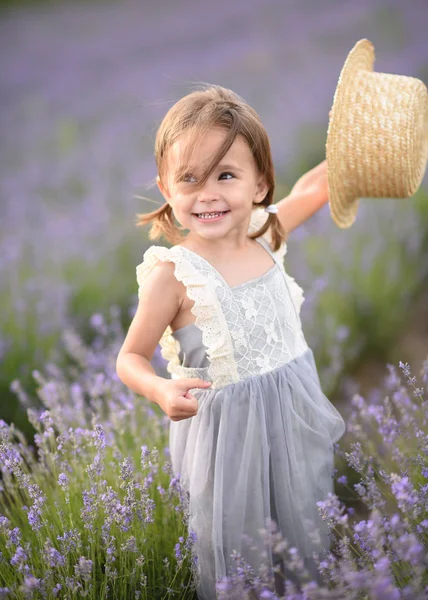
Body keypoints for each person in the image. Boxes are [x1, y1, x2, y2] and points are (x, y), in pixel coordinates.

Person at [116, 85, 346, 599]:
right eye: (190, 179)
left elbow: (313, 188)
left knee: (300, 522)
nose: (208, 194)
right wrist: (157, 389)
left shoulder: (267, 233)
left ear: (260, 184)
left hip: (290, 419)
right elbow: (129, 357)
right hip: (228, 440)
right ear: (166, 188)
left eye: (226, 175)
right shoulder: (175, 276)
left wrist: (355, 151)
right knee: (240, 550)